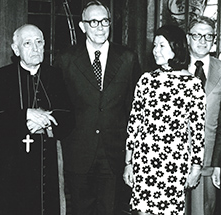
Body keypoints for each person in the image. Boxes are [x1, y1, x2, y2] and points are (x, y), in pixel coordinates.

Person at [55, 1, 141, 214]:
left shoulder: (127, 58)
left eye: (105, 21)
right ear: (82, 26)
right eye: (93, 22)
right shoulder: (66, 59)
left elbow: (135, 110)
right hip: (78, 153)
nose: (100, 27)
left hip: (114, 154)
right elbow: (59, 107)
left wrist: (132, 156)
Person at [0, 24, 74, 215]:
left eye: (39, 42)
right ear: (16, 50)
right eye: (27, 43)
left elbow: (68, 117)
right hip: (9, 169)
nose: (35, 48)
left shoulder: (55, 76)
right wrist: (25, 115)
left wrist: (45, 122)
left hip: (46, 168)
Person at [123, 25, 206, 215]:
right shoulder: (146, 80)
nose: (155, 50)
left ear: (176, 48)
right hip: (144, 161)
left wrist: (195, 167)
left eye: (162, 45)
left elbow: (198, 131)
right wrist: (129, 162)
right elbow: (134, 124)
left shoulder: (192, 85)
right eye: (154, 45)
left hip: (174, 163)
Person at [186, 16, 221, 215]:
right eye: (197, 35)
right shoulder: (174, 69)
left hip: (208, 163)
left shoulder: (220, 70)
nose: (202, 41)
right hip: (173, 159)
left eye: (208, 36)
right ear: (187, 38)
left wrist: (218, 164)